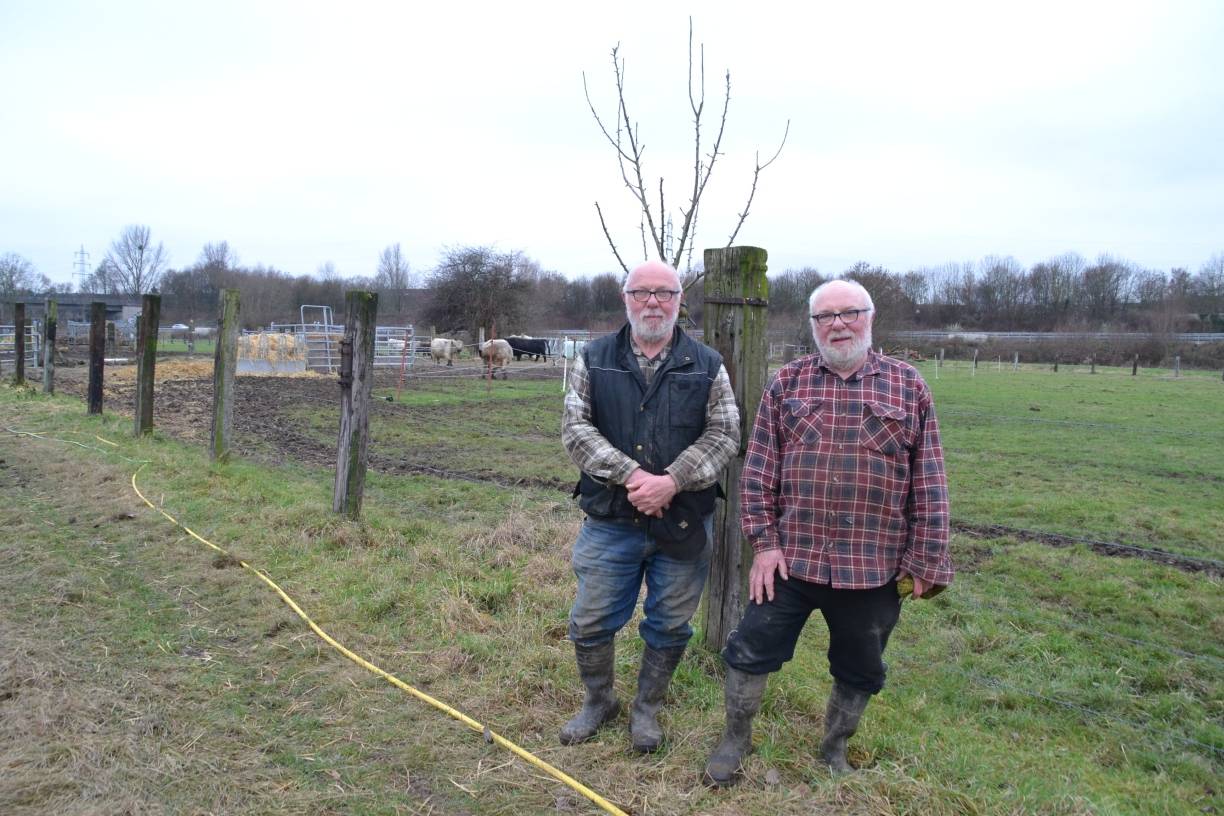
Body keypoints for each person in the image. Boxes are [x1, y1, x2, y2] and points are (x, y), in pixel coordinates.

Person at [703, 279, 953, 785]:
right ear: (813, 325)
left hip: (874, 565)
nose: (838, 324)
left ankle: (834, 748)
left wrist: (925, 560)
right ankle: (736, 738)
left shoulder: (908, 386)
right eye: (825, 317)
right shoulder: (787, 383)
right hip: (791, 559)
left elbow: (929, 480)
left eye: (849, 313)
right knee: (750, 649)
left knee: (860, 666)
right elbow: (758, 473)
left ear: (870, 318)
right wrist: (764, 545)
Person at [560, 259, 740, 753]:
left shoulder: (707, 364)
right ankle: (599, 702)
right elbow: (576, 430)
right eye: (642, 293)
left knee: (669, 621)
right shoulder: (593, 357)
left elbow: (725, 433)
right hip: (611, 519)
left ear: (681, 301)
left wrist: (673, 480)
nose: (653, 302)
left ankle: (647, 709)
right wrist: (635, 477)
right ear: (626, 298)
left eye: (665, 293)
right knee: (591, 619)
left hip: (682, 521)